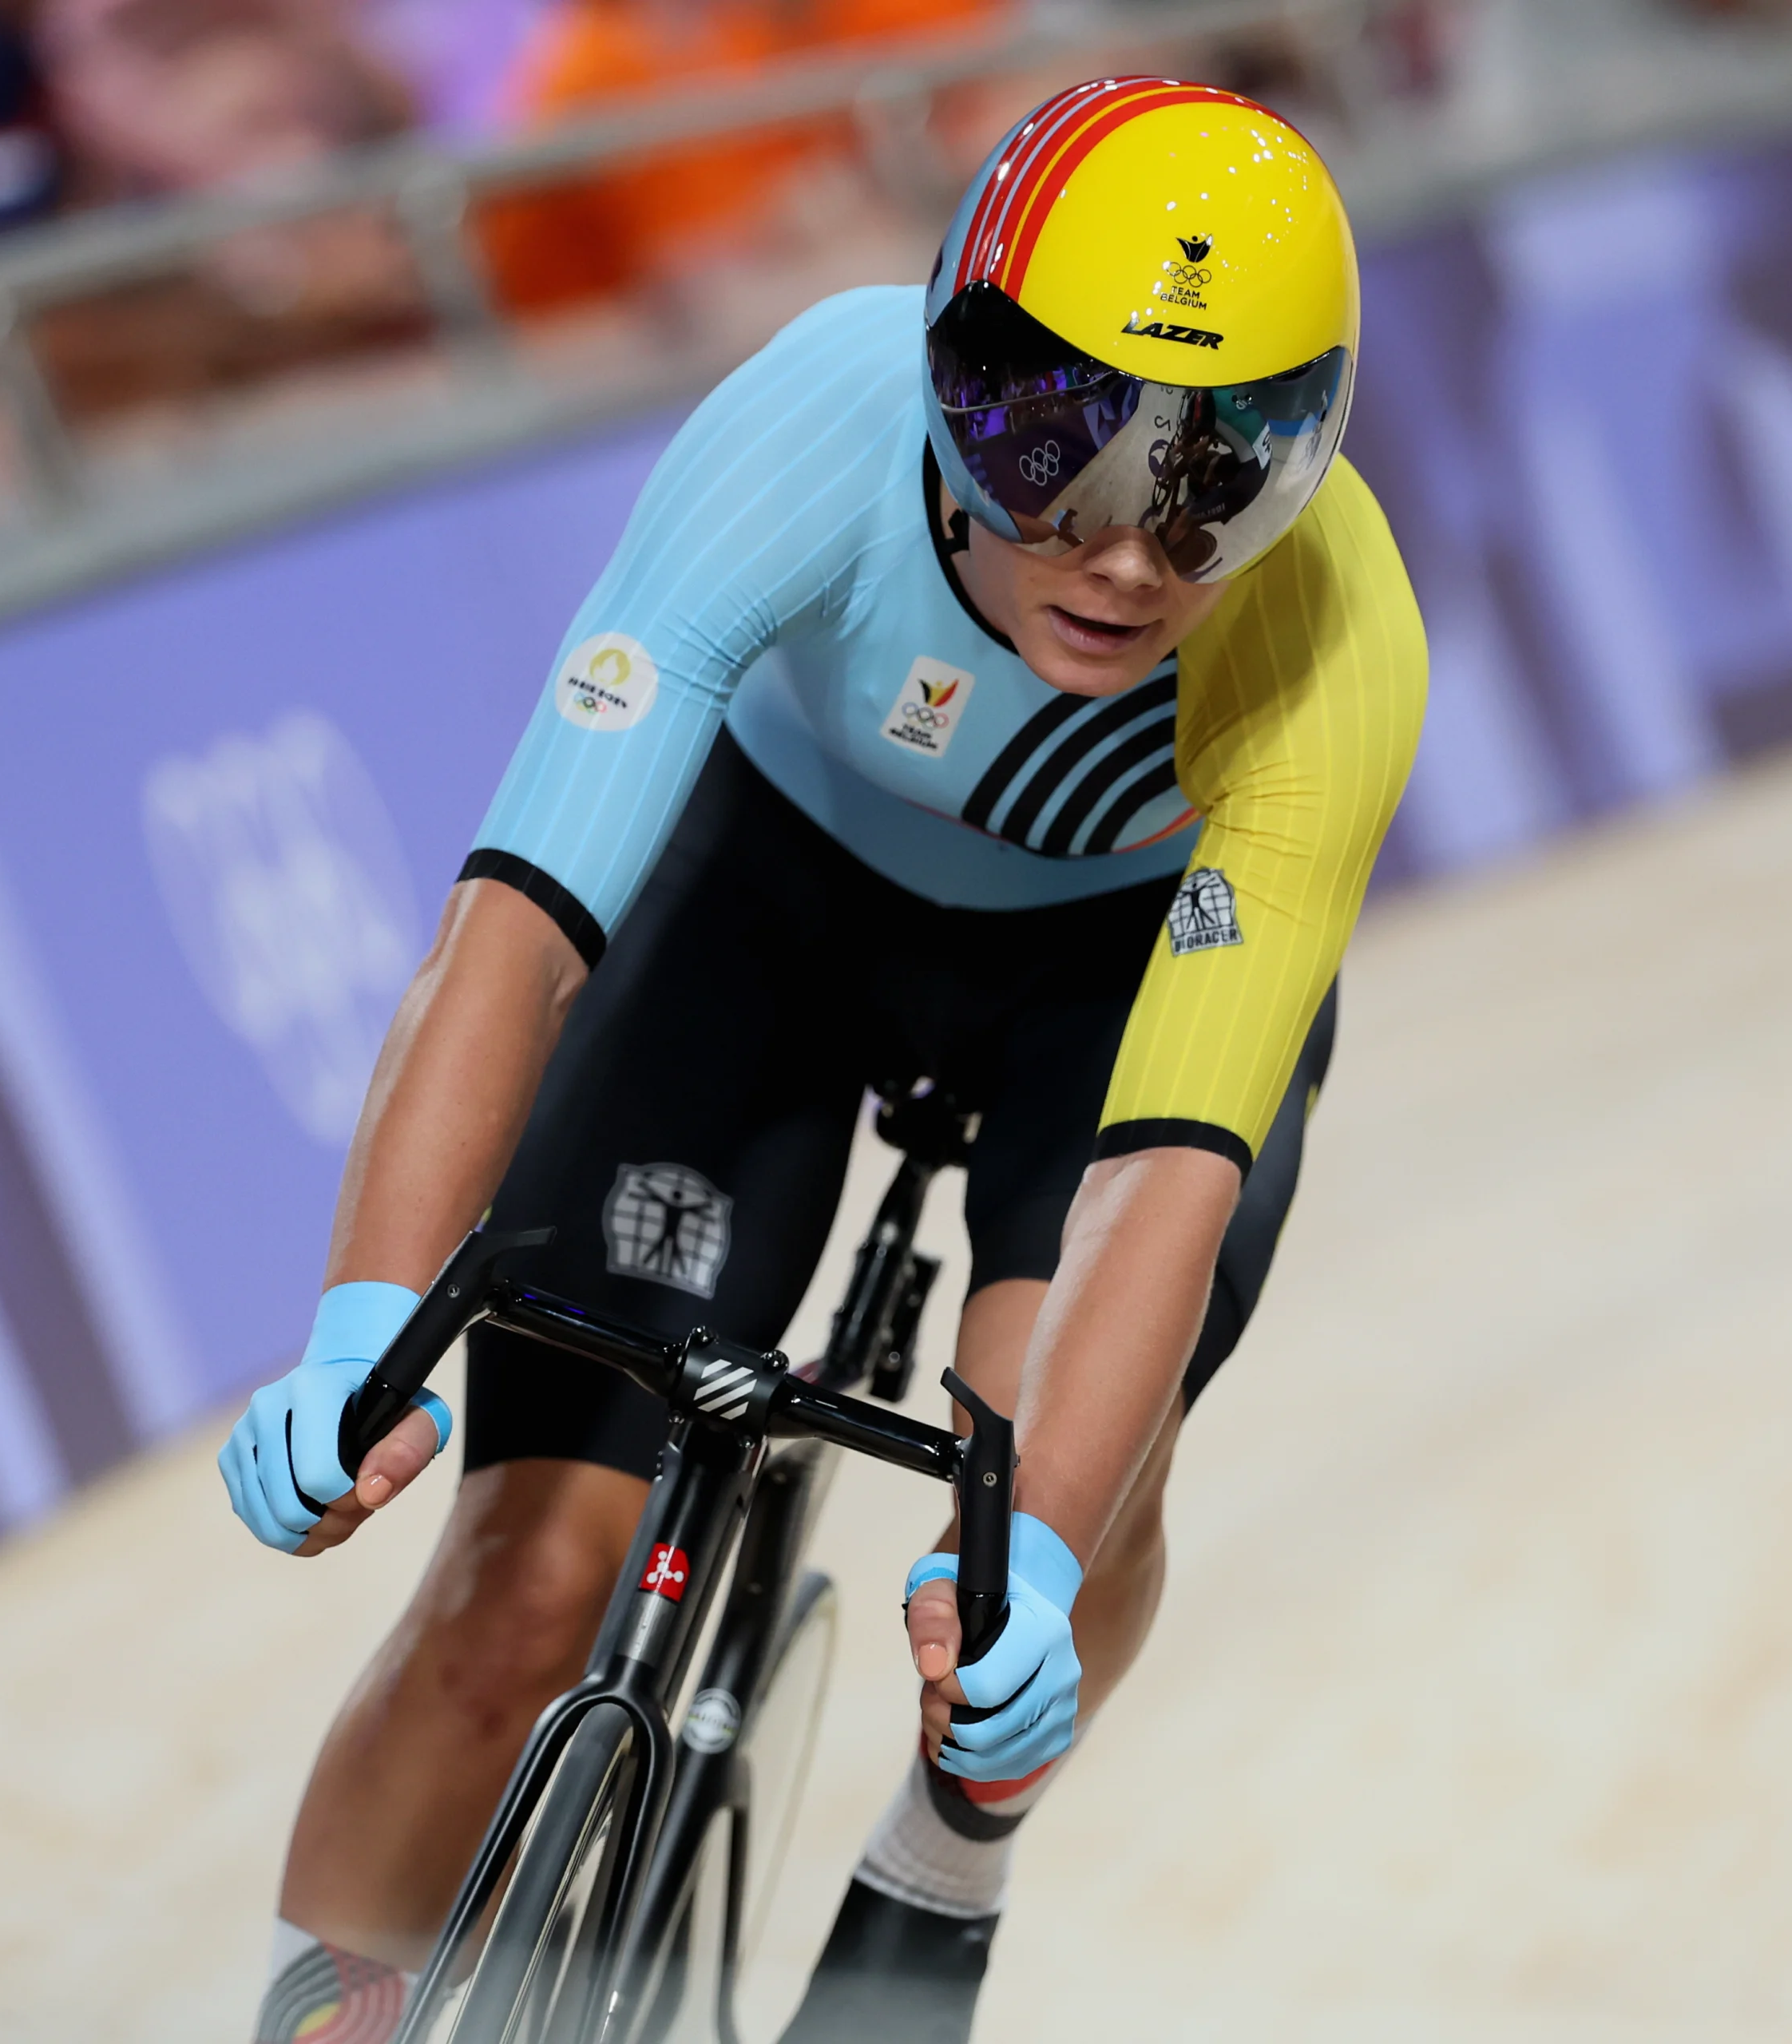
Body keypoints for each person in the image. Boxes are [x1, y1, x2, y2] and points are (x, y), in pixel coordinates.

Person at [216, 73, 1425, 2044]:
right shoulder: (813, 417)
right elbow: (521, 910)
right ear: (950, 372)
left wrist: (1034, 1557)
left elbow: (1169, 1170)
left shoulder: (1338, 633)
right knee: (523, 1582)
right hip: (772, 893)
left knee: (1048, 1512)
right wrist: (365, 1311)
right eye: (1057, 441)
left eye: (1223, 479)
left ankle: (955, 1840)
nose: (1126, 553)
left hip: (1112, 977)